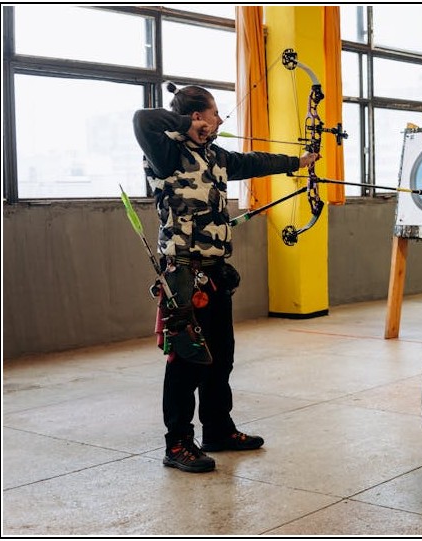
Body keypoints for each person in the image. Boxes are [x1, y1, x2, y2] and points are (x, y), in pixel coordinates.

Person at [133, 83, 318, 473]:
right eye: (213, 113)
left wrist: (298, 162)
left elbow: (252, 162)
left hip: (215, 272)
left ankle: (217, 428)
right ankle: (178, 443)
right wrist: (187, 123)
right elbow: (141, 119)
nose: (219, 119)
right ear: (197, 116)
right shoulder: (167, 153)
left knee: (221, 356)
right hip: (183, 273)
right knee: (187, 359)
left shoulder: (214, 156)